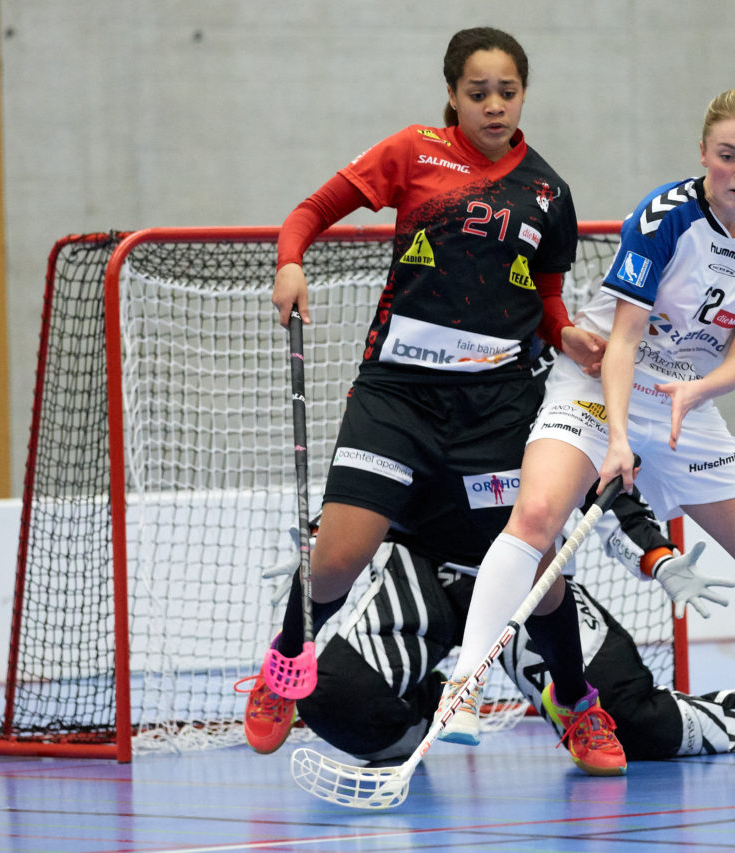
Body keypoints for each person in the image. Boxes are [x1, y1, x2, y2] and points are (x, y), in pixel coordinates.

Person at [442, 88, 735, 772]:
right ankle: (464, 685)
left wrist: (697, 390)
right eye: (728, 155)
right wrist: (618, 438)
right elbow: (622, 341)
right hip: (598, 388)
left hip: (684, 409)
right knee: (533, 515)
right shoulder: (666, 215)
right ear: (704, 154)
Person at [242, 27, 621, 773]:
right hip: (398, 397)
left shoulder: (547, 192)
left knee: (538, 576)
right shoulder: (413, 152)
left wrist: (567, 333)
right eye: (477, 92)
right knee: (334, 559)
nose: (493, 105)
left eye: (507, 91)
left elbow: (544, 296)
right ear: (452, 94)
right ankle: (287, 659)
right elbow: (310, 211)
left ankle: (576, 704)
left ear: (523, 95)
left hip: (497, 410)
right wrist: (290, 263)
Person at [290, 488, 735, 767]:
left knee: (631, 724)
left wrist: (656, 557)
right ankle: (426, 709)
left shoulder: (542, 385)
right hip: (426, 573)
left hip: (530, 586)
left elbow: (604, 489)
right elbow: (368, 467)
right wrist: (324, 541)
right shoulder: (416, 369)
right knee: (333, 699)